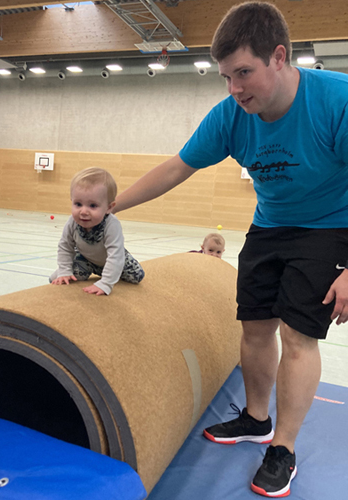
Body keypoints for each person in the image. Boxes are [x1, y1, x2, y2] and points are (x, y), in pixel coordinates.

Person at [113, 2, 348, 497]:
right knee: (255, 327)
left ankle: (282, 449)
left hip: (330, 226)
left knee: (298, 334)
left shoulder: (336, 100)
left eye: (243, 73)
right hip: (269, 225)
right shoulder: (230, 117)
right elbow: (176, 168)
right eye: (225, 77)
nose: (234, 89)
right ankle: (256, 418)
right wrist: (110, 207)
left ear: (279, 57)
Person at [50, 167, 144, 295]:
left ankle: (111, 273)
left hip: (114, 259)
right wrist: (64, 271)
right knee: (57, 278)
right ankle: (66, 273)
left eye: (93, 205)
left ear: (109, 207)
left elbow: (115, 255)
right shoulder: (72, 222)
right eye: (78, 204)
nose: (83, 211)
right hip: (86, 260)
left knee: (137, 276)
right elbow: (65, 247)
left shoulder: (111, 224)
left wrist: (105, 283)